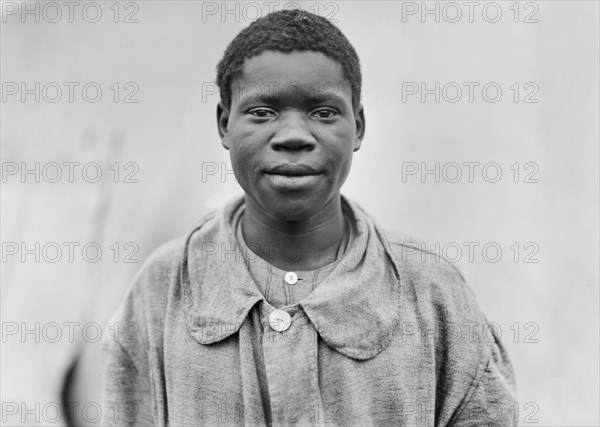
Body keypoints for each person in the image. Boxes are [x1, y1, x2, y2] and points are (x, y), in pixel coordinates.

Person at [102, 9, 517, 426]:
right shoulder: (164, 287)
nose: (294, 136)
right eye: (263, 111)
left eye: (323, 112)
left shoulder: (432, 291)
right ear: (225, 125)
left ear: (358, 127)